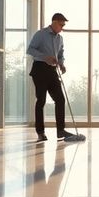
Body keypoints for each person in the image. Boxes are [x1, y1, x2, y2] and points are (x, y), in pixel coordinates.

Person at [27, 13, 72, 142]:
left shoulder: (60, 39)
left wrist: (62, 64)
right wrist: (45, 57)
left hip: (52, 71)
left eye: (63, 25)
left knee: (60, 99)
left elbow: (60, 53)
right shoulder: (41, 34)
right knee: (41, 101)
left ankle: (60, 130)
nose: (62, 27)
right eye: (61, 24)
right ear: (54, 22)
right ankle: (40, 132)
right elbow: (30, 49)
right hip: (39, 69)